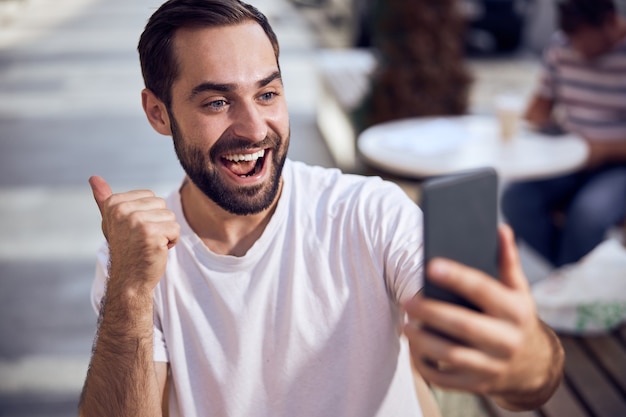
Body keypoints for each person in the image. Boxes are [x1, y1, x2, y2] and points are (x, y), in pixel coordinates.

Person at [78, 1, 564, 416]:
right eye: (216, 103)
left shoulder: (368, 213)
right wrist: (132, 290)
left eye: (267, 94)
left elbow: (528, 379)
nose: (253, 128)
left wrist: (525, 359)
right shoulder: (137, 256)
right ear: (158, 112)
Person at [501, 0, 626, 268]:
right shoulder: (561, 46)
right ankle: (570, 278)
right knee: (516, 200)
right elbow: (538, 110)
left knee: (588, 214)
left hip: (618, 165)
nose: (577, 51)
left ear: (611, 23)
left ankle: (569, 288)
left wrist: (603, 149)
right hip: (569, 157)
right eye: (573, 41)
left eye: (584, 42)